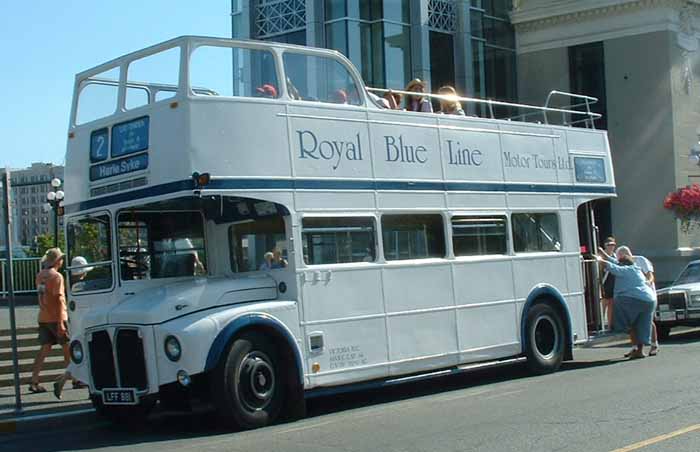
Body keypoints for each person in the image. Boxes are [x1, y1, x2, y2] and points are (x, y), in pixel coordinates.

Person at [596, 245, 657, 359]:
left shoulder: (625, 270)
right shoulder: (636, 268)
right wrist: (602, 253)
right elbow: (614, 261)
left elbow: (612, 266)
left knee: (629, 323)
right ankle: (639, 350)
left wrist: (598, 259)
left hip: (634, 300)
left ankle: (619, 329)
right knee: (641, 325)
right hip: (649, 300)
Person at [29, 248, 71, 395]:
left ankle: (34, 380)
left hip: (44, 316)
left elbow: (42, 295)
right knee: (67, 348)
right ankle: (75, 378)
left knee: (44, 349)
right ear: (58, 261)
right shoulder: (57, 277)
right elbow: (59, 299)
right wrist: (60, 322)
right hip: (57, 317)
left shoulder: (40, 276)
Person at [633, 253, 659, 356]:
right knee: (636, 322)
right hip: (634, 295)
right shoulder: (623, 263)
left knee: (648, 321)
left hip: (648, 295)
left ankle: (654, 345)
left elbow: (650, 275)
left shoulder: (640, 260)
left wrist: (648, 282)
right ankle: (638, 349)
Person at [600, 236, 617, 329]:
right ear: (605, 246)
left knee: (611, 305)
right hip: (604, 284)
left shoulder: (615, 256)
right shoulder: (601, 256)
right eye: (609, 245)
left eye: (613, 245)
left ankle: (610, 326)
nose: (611, 246)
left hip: (613, 283)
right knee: (603, 304)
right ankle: (601, 325)